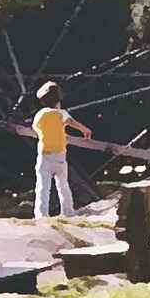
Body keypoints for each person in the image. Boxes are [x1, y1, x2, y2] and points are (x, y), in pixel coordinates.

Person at [32, 81, 92, 219]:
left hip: (45, 155)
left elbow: (36, 127)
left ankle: (42, 215)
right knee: (63, 185)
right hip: (60, 155)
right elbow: (74, 123)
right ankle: (68, 211)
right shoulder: (62, 114)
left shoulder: (40, 115)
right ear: (59, 100)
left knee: (43, 186)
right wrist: (86, 130)